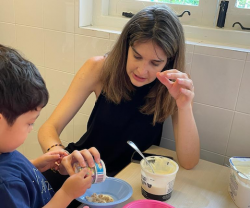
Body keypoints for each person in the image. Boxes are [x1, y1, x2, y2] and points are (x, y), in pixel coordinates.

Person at [38, 5, 200, 189]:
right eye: (137, 56)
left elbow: (189, 162)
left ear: (169, 61)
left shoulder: (173, 88)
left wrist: (184, 106)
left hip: (125, 185)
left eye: (155, 63)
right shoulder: (99, 68)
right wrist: (60, 156)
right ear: (126, 47)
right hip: (80, 174)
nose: (142, 70)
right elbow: (48, 128)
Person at [0, 44, 100, 208]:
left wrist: (36, 165)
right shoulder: (3, 183)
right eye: (29, 122)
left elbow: (14, 173)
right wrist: (66, 194)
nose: (32, 128)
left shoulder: (4, 148)